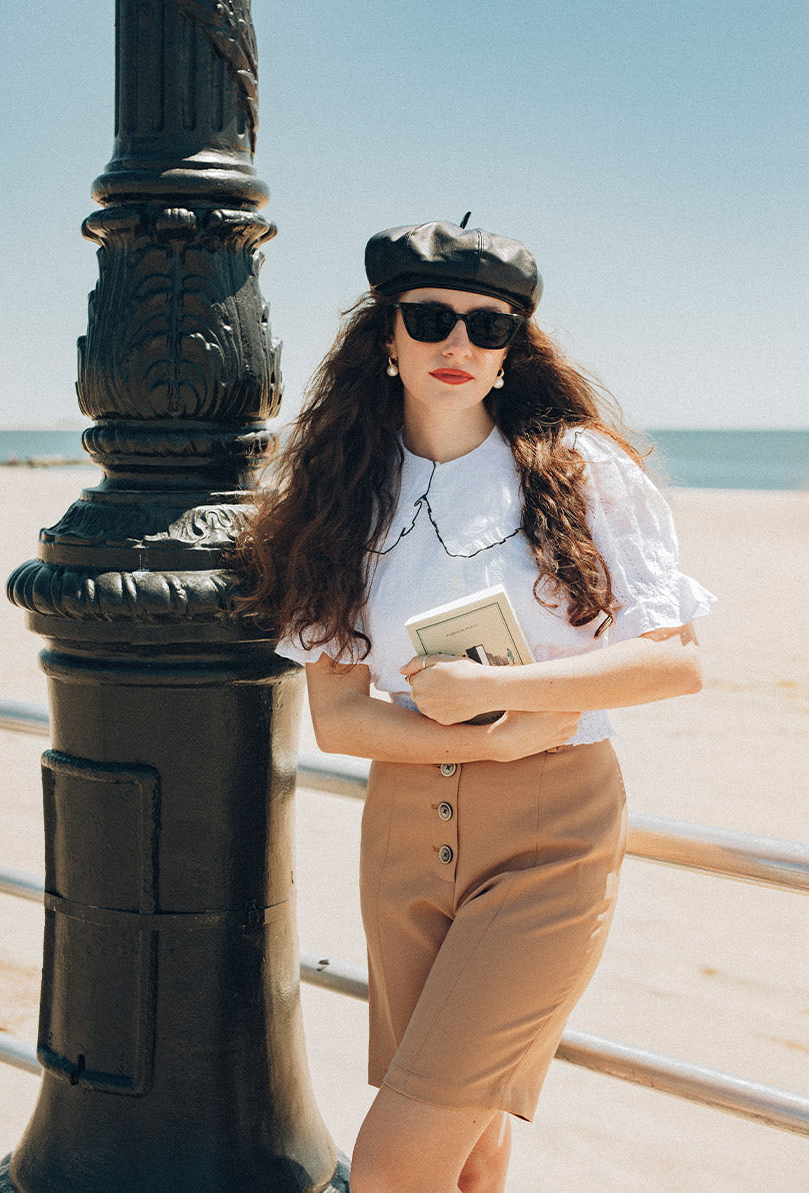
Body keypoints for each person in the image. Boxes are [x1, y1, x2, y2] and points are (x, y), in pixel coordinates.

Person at [233, 219, 715, 1193]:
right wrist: (488, 739)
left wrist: (501, 695)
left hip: (552, 838)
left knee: (392, 1163)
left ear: (510, 352)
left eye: (486, 329)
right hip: (404, 837)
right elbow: (337, 720)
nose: (456, 345)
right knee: (471, 1148)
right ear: (386, 338)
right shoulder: (340, 497)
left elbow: (671, 663)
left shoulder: (578, 468)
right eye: (430, 319)